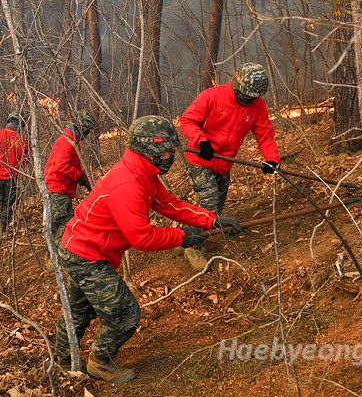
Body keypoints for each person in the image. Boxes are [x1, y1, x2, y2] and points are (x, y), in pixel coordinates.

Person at [54, 115, 242, 382]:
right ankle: (99, 361)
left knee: (79, 308)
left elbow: (169, 204)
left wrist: (211, 219)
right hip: (86, 254)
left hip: (82, 248)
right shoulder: (128, 183)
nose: (171, 156)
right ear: (150, 149)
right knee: (125, 312)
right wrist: (182, 237)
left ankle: (62, 361)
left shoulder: (143, 172)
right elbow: (141, 238)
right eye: (166, 150)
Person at [180, 62, 280, 270]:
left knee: (217, 208)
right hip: (200, 159)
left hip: (225, 163)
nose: (247, 100)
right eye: (244, 96)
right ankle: (192, 246)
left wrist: (271, 159)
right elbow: (188, 121)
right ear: (236, 84)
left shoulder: (258, 106)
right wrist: (201, 141)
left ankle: (189, 234)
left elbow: (265, 135)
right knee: (209, 202)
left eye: (252, 97)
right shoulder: (211, 96)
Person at [43, 110, 97, 271]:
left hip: (61, 188)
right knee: (63, 223)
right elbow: (61, 165)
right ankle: (55, 259)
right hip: (56, 187)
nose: (88, 132)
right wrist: (79, 177)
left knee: (57, 223)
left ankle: (52, 258)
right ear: (81, 125)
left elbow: (72, 165)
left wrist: (85, 181)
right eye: (87, 128)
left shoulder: (73, 141)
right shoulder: (67, 141)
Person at [0, 111, 29, 242]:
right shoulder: (22, 140)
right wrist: (16, 165)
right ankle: (3, 230)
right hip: (12, 178)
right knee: (8, 204)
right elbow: (26, 160)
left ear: (8, 121)